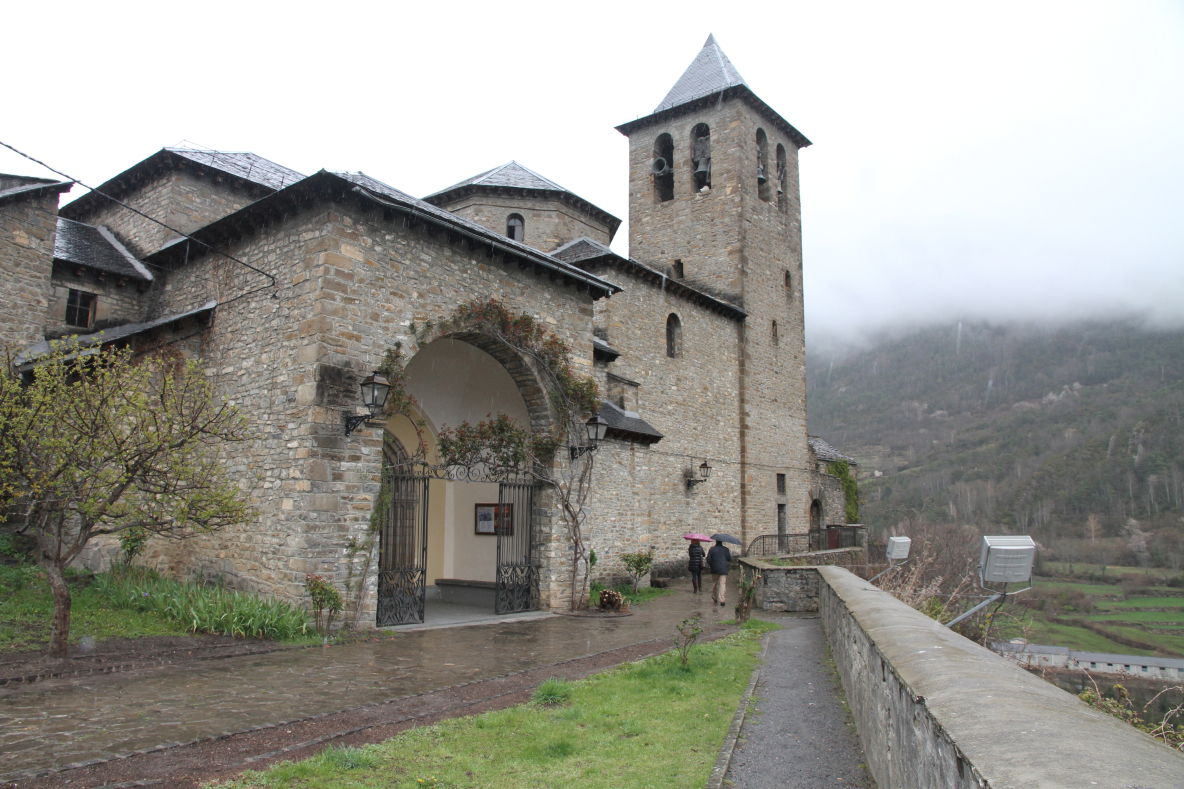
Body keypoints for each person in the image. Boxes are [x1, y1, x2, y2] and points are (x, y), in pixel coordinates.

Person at [707, 539, 732, 607]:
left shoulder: (712, 549)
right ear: (721, 542)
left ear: (716, 541)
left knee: (714, 583)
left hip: (714, 569)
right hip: (723, 569)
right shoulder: (726, 549)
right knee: (722, 584)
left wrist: (712, 565)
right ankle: (722, 600)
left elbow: (708, 560)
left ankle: (715, 597)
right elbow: (729, 559)